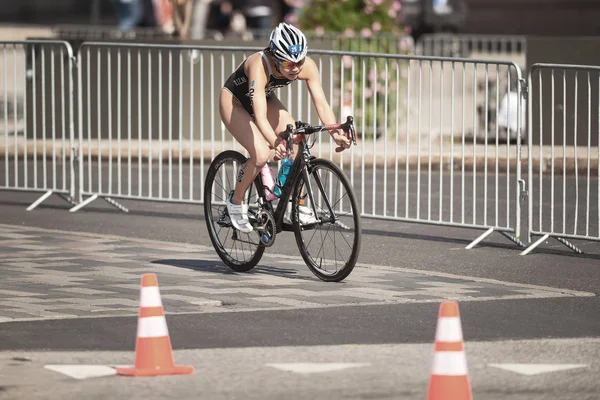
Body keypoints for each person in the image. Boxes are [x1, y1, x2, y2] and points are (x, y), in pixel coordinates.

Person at [219, 22, 351, 233]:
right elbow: (259, 116)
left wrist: (335, 133)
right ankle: (235, 202)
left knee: (296, 137)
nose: (296, 68)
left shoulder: (305, 66)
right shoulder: (259, 66)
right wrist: (273, 142)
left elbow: (321, 102)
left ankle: (292, 206)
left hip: (265, 97)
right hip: (234, 102)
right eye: (289, 64)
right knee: (261, 154)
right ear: (275, 57)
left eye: (299, 61)